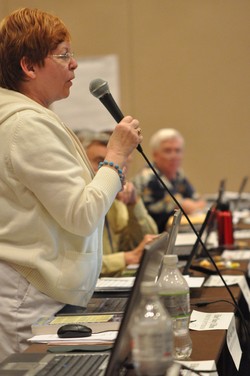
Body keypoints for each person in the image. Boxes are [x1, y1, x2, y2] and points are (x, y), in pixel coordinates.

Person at [0, 8, 142, 361]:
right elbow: (81, 215)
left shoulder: (28, 119)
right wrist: (117, 154)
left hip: (36, 291)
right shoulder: (26, 126)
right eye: (63, 55)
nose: (74, 64)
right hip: (29, 297)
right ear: (29, 67)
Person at [77, 130, 158, 276]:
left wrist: (134, 203)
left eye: (113, 164)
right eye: (99, 162)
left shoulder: (116, 198)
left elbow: (149, 245)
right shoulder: (75, 205)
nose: (107, 170)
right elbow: (77, 267)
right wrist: (126, 258)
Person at [133, 128, 206, 232]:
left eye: (178, 151)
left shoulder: (177, 173)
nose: (174, 156)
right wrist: (190, 205)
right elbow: (186, 207)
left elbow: (199, 201)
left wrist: (192, 205)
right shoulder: (149, 177)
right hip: (151, 236)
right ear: (155, 155)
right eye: (168, 151)